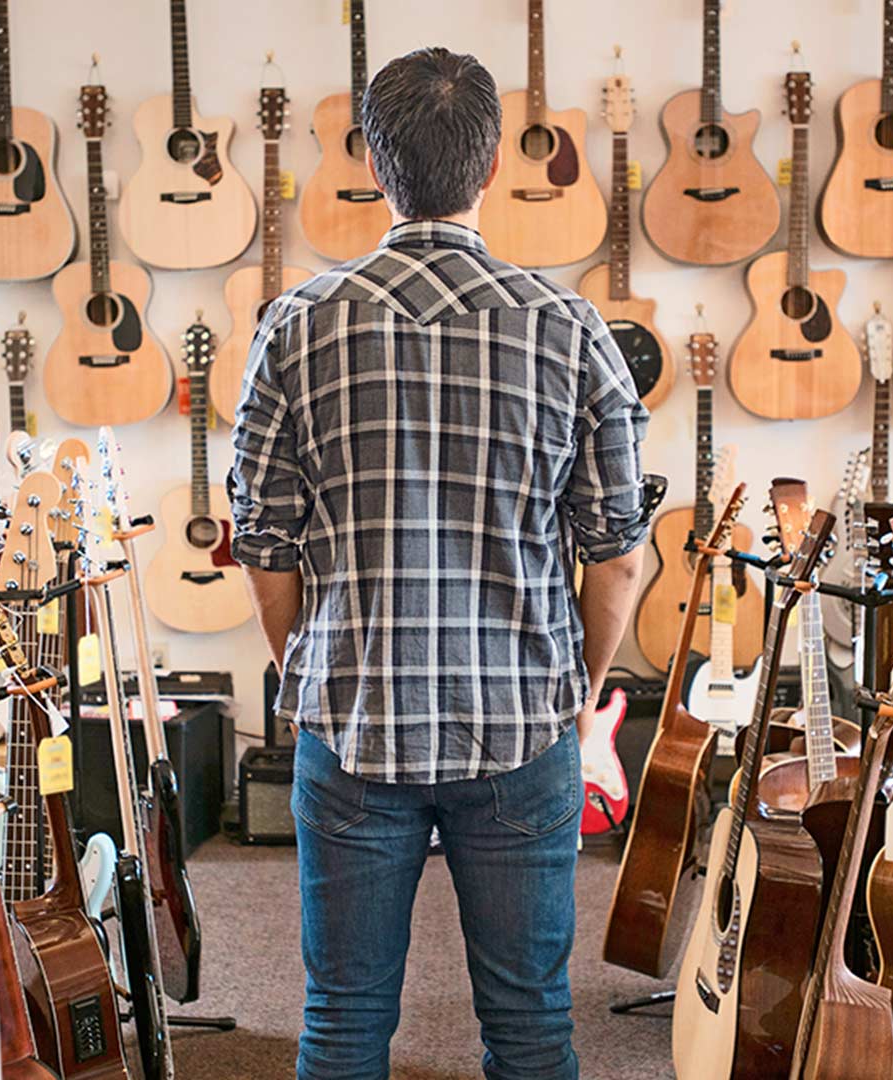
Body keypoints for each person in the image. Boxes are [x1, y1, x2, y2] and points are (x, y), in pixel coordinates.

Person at [227, 46, 650, 1080]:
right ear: (495, 161)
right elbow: (618, 557)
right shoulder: (571, 328)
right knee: (532, 1024)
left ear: (373, 163)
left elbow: (264, 545)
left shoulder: (295, 327)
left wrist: (306, 669)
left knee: (341, 1018)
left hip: (356, 724)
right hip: (520, 726)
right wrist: (577, 689)